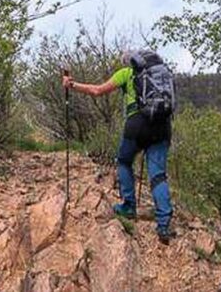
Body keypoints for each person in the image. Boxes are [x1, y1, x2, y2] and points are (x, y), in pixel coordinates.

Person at [61, 51, 174, 244]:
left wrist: (72, 84)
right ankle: (163, 224)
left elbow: (97, 91)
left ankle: (128, 206)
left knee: (123, 161)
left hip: (137, 124)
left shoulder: (126, 73)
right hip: (163, 126)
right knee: (158, 175)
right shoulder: (164, 74)